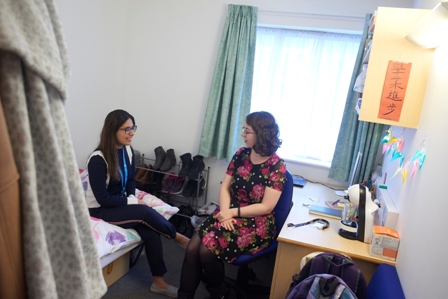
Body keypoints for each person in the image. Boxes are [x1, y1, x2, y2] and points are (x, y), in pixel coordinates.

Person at [178, 111, 287, 299]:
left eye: (247, 131)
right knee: (192, 248)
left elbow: (266, 207)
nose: (243, 134)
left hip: (256, 221)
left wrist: (232, 213)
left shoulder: (277, 166)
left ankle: (219, 292)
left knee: (206, 250)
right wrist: (226, 211)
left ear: (261, 134)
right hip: (228, 211)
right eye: (243, 130)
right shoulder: (240, 154)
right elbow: (225, 187)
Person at [86, 109, 189, 298]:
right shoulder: (97, 160)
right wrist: (132, 201)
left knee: (150, 230)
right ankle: (178, 237)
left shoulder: (127, 150)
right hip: (101, 208)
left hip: (120, 202)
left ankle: (159, 283)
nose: (131, 132)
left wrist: (131, 196)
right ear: (112, 131)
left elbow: (131, 180)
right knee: (143, 212)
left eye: (133, 127)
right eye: (126, 129)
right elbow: (102, 199)